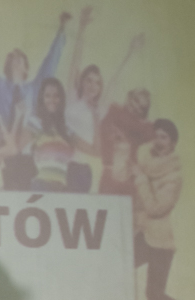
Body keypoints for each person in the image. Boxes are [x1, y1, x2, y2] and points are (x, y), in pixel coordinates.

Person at [130, 120, 195, 300]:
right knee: (118, 270)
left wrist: (140, 178)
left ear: (173, 143)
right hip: (141, 234)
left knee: (154, 295)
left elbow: (156, 208)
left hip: (160, 242)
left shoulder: (173, 176)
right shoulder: (145, 162)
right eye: (156, 136)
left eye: (164, 137)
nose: (158, 141)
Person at [65, 7, 145, 193]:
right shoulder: (72, 100)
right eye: (89, 80)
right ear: (82, 81)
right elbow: (75, 62)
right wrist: (81, 28)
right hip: (70, 165)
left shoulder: (98, 109)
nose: (93, 85)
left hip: (91, 168)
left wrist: (131, 51)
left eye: (97, 82)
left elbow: (116, 80)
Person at [0, 5, 71, 130]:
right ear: (8, 65)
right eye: (12, 58)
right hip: (0, 134)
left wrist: (62, 29)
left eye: (19, 58)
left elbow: (50, 63)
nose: (15, 60)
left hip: (27, 136)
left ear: (26, 68)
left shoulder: (33, 89)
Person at [21, 77, 74, 192]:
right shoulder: (35, 123)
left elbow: (94, 150)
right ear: (42, 99)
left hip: (62, 188)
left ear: (61, 99)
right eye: (47, 96)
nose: (52, 100)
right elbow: (19, 148)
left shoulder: (66, 130)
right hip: (41, 186)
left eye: (56, 96)